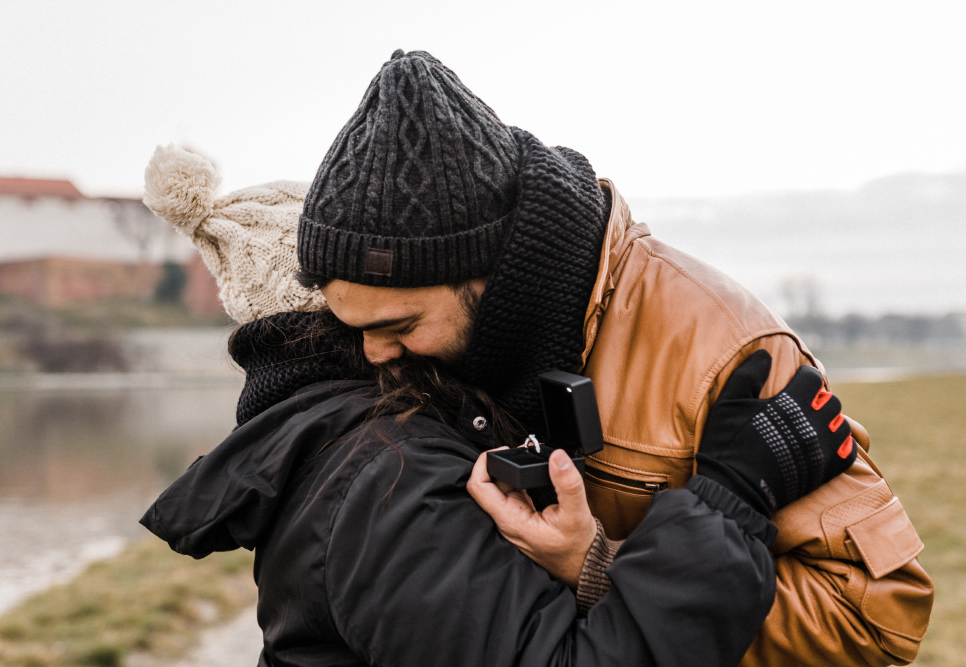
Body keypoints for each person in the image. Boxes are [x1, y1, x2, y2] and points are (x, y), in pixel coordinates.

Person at [294, 50, 933, 665]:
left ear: (495, 277)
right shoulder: (422, 328)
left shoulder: (724, 349)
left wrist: (599, 566)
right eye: (351, 328)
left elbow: (877, 621)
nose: (374, 355)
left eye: (398, 326)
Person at [140, 147, 852, 666]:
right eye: (384, 322)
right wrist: (729, 500)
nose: (395, 349)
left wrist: (590, 559)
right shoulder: (389, 479)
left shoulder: (333, 444)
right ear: (340, 315)